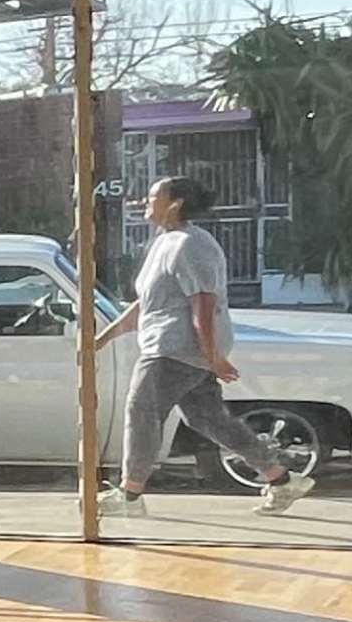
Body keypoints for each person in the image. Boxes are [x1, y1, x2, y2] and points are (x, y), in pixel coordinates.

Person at [107, 175, 299, 515]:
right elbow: (148, 303)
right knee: (208, 419)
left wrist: (213, 356)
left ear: (175, 205)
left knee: (142, 411)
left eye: (153, 197)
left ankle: (130, 496)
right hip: (176, 346)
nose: (144, 203)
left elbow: (204, 303)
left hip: (175, 349)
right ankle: (281, 479)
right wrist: (101, 338)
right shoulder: (166, 242)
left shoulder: (191, 245)